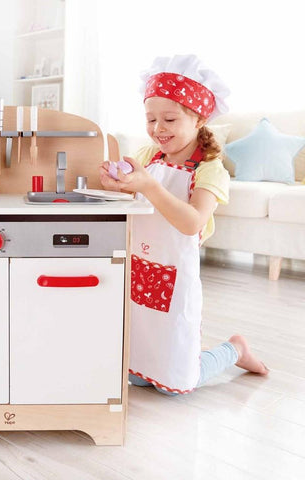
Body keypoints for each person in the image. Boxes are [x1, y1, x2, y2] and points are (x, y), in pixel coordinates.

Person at [100, 55, 269, 395]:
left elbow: (191, 223)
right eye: (150, 119)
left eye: (169, 119)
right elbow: (133, 200)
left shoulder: (210, 170)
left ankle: (234, 349)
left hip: (175, 277)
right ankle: (154, 367)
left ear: (199, 119)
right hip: (141, 269)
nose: (158, 129)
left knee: (177, 382)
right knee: (136, 373)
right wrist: (116, 185)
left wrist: (148, 185)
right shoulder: (150, 157)